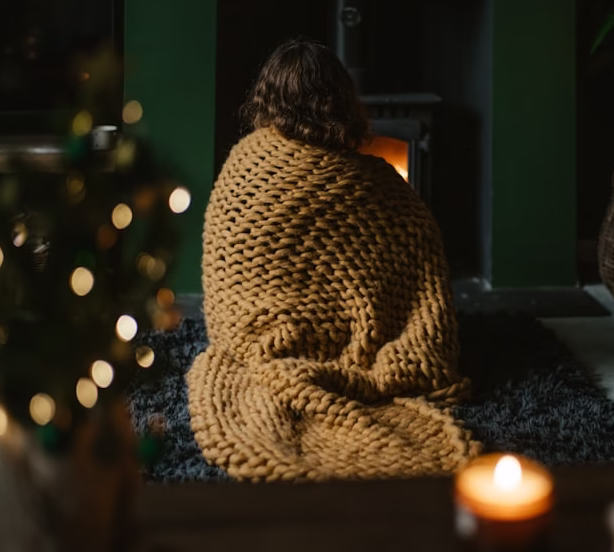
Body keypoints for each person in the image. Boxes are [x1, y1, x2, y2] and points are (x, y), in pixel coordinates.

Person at [186, 38, 480, 481]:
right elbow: (420, 251)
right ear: (339, 99)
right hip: (326, 338)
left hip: (245, 333)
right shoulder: (376, 184)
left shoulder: (242, 163)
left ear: (267, 96)